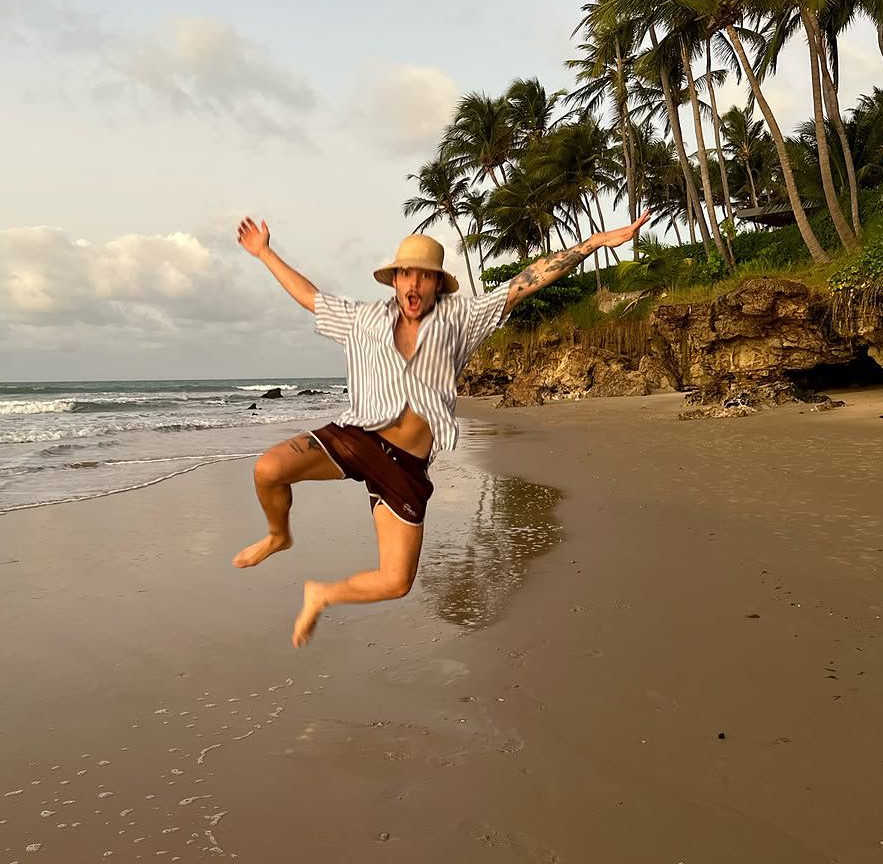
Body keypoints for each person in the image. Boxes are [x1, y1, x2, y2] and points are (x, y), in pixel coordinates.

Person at [234, 211, 650, 647]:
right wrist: (264, 253)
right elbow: (310, 296)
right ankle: (279, 535)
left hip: (407, 468)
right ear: (394, 280)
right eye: (406, 275)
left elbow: (527, 281)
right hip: (357, 439)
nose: (413, 285)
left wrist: (596, 242)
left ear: (438, 283)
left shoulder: (461, 319)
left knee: (396, 582)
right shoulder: (363, 319)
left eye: (424, 276)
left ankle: (321, 595)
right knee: (267, 469)